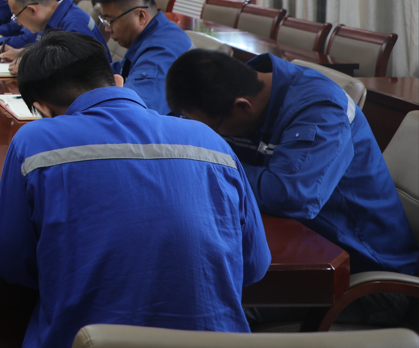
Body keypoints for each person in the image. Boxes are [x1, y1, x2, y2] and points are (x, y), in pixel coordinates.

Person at [0, 31, 269, 348]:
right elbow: (254, 264)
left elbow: (10, 262)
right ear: (118, 82)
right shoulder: (210, 141)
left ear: (42, 110)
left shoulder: (34, 142)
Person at [167, 50, 419, 318]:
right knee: (180, 273)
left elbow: (290, 196)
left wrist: (215, 165)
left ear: (243, 107)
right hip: (306, 252)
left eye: (213, 129)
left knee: (206, 304)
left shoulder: (321, 110)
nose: (211, 137)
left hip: (366, 280)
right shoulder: (235, 90)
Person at [91, 0, 191, 115]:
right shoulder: (150, 38)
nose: (107, 29)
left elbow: (130, 114)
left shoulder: (161, 52)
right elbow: (116, 72)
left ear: (141, 16)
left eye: (110, 21)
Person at [0, 0, 104, 68]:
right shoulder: (51, 19)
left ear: (32, 10)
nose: (17, 22)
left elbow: (74, 73)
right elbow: (50, 55)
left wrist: (29, 67)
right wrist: (20, 53)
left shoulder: (73, 26)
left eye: (16, 16)